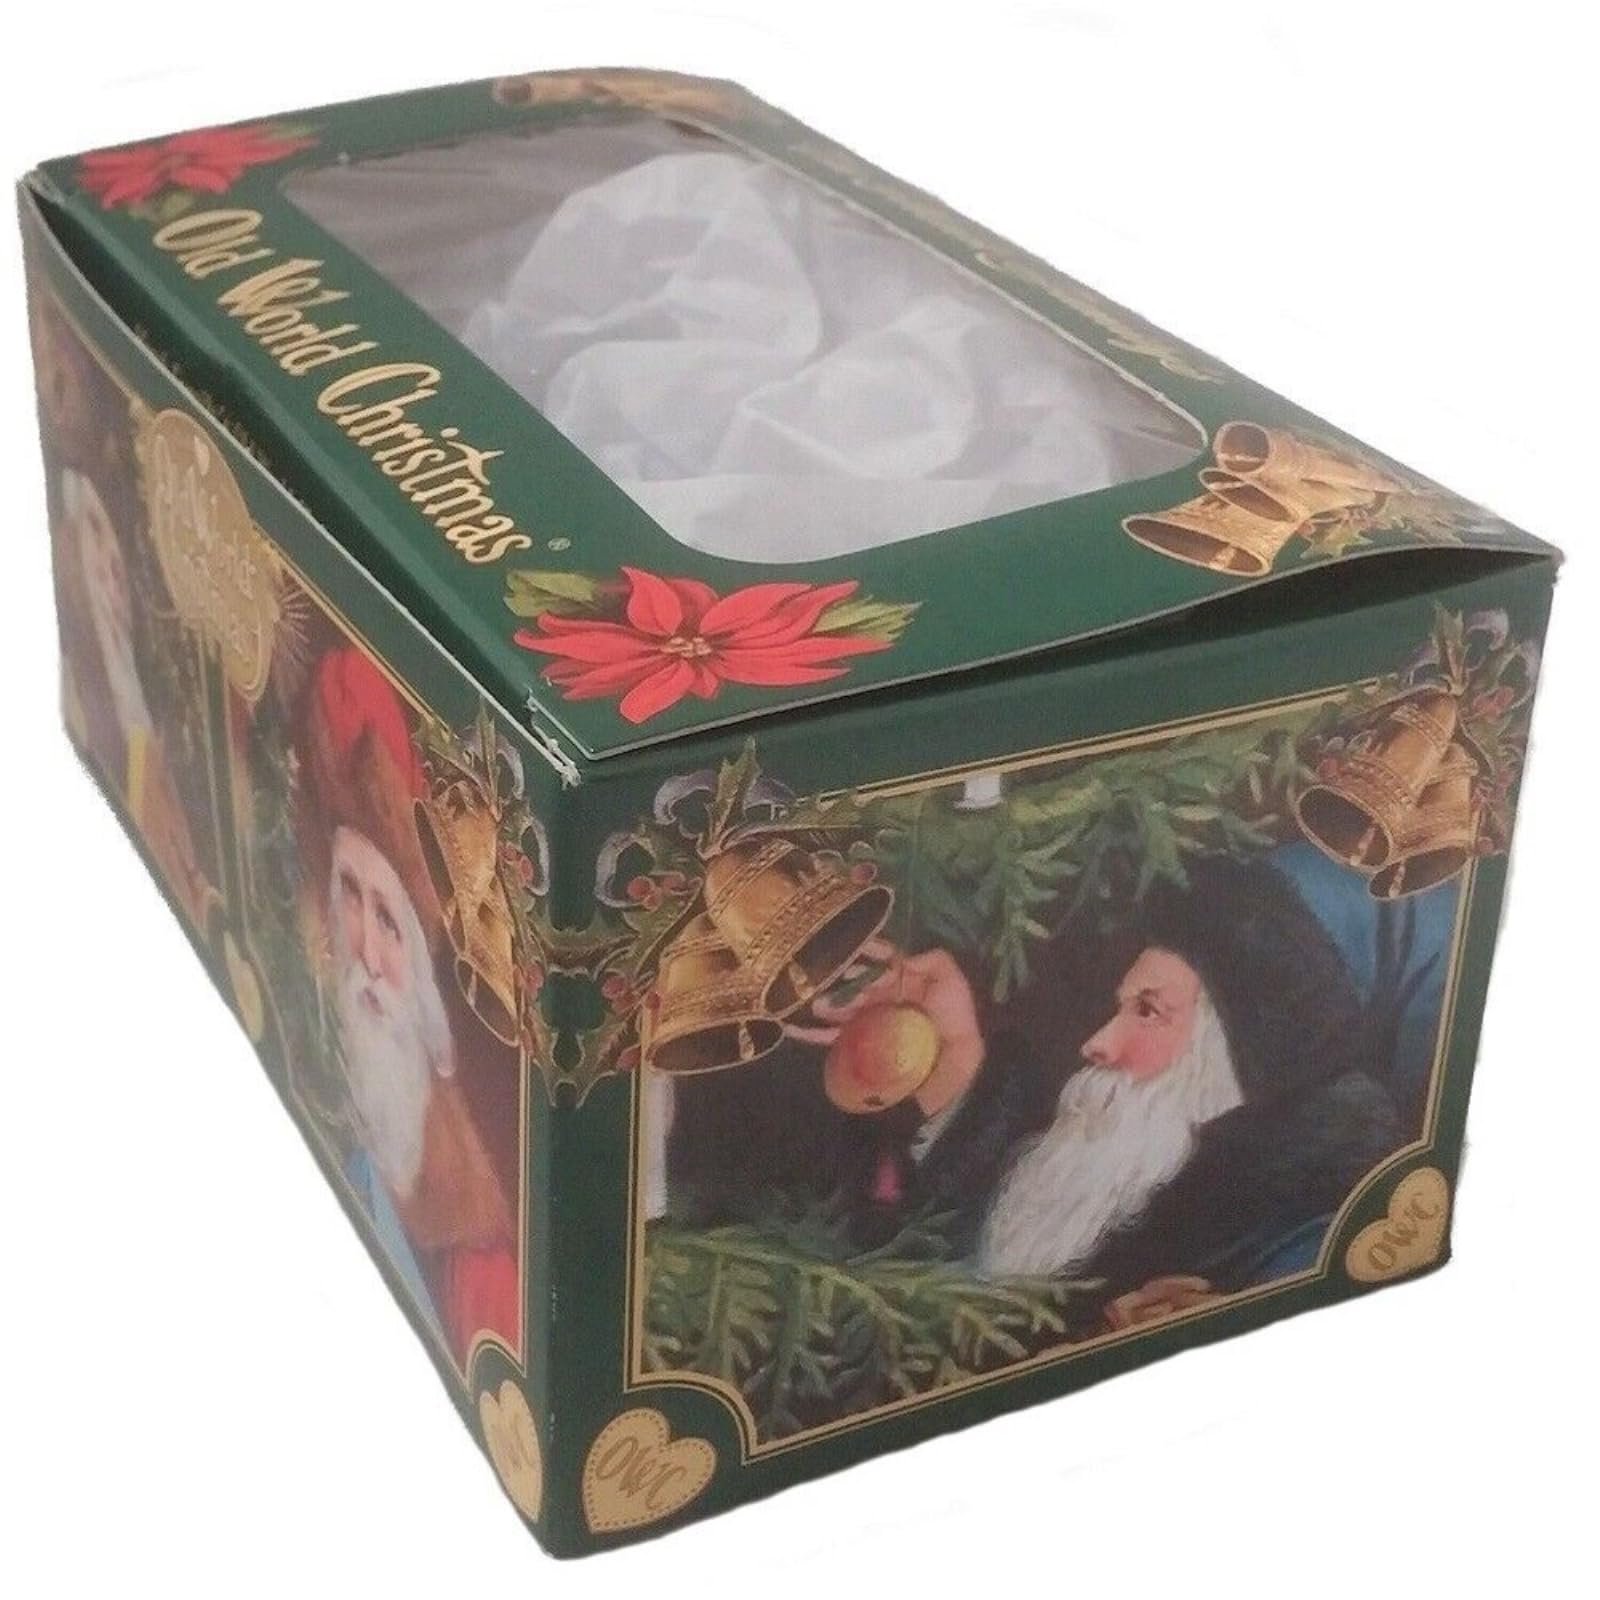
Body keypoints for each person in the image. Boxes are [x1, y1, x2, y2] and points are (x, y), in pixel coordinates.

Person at [807, 857, 1404, 1329]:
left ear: (1221, 1060)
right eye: (1120, 1007)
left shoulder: (1294, 1233)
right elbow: (970, 1279)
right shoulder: (1113, 1173)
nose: (1096, 1044)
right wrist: (957, 1054)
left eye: (1148, 1011)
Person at [297, 645, 520, 1364]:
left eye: (389, 922)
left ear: (426, 990)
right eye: (348, 896)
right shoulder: (314, 1098)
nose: (365, 951)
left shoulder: (480, 1263)